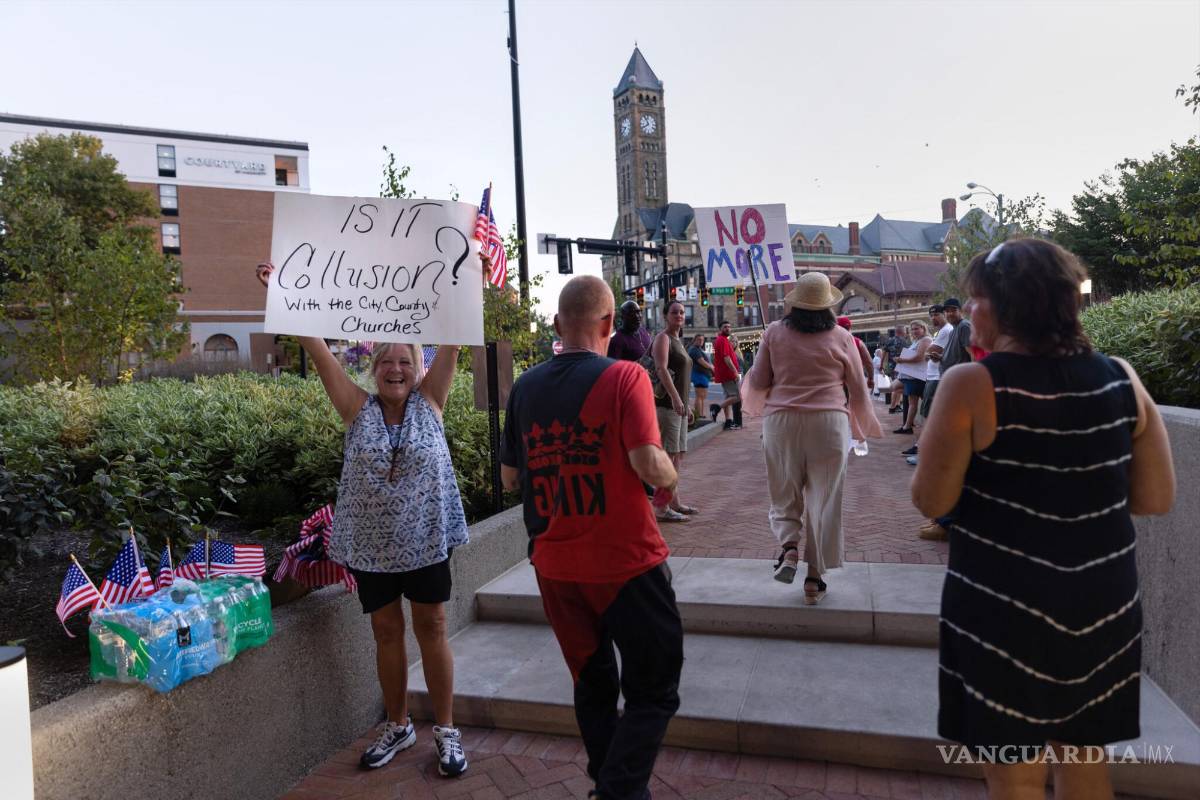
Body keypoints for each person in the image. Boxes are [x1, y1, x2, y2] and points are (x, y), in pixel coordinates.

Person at [911, 238, 1175, 800]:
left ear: (1005, 305)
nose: (969, 311)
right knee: (1085, 760)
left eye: (975, 299)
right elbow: (1155, 497)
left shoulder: (972, 385)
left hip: (1002, 606)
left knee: (1014, 772)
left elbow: (932, 500)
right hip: (1103, 604)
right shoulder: (1122, 378)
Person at [254, 262, 470, 778]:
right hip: (374, 552)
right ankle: (398, 724)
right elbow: (318, 349)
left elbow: (456, 339)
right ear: (373, 368)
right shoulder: (356, 407)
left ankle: (446, 730)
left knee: (433, 627)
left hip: (425, 543)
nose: (396, 368)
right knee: (386, 632)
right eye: (387, 361)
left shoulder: (431, 402)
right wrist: (285, 291)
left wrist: (467, 278)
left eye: (406, 360)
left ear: (419, 366)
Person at [500, 275, 683, 800]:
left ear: (558, 325)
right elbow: (649, 464)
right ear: (608, 324)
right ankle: (618, 792)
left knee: (593, 683)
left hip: (556, 569)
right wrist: (672, 476)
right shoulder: (626, 377)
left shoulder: (526, 387)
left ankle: (610, 784)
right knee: (654, 688)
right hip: (625, 562)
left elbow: (512, 479)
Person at [742, 273, 883, 604]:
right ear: (828, 305)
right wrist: (863, 427)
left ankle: (789, 548)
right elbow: (858, 387)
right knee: (824, 500)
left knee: (784, 490)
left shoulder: (774, 333)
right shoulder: (842, 337)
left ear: (794, 303)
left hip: (781, 422)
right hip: (829, 423)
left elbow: (760, 378)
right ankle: (814, 579)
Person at [652, 300, 695, 522]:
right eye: (674, 312)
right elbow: (661, 368)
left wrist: (686, 405)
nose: (678, 315)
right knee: (668, 458)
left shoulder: (679, 340)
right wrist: (677, 399)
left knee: (677, 456)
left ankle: (673, 501)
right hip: (668, 407)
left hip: (679, 407)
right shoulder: (663, 338)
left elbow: (682, 377)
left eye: (681, 312)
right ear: (665, 316)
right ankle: (660, 508)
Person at [892, 320, 931, 436]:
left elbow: (919, 357)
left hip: (917, 375)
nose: (914, 331)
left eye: (917, 328)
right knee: (911, 401)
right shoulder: (917, 341)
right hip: (911, 375)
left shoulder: (926, 340)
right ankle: (907, 426)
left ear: (923, 328)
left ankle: (908, 426)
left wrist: (902, 360)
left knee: (912, 401)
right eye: (913, 329)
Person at [709, 320, 743, 430]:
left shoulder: (722, 340)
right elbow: (727, 359)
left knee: (728, 397)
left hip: (725, 373)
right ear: (720, 329)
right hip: (728, 374)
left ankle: (728, 420)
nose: (727, 329)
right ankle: (716, 408)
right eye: (725, 327)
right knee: (736, 397)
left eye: (729, 327)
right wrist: (735, 372)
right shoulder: (722, 340)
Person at [837, 315, 874, 392]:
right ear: (850, 328)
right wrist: (870, 378)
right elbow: (869, 362)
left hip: (838, 383)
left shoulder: (832, 344)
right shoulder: (858, 342)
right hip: (856, 380)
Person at [688, 334, 714, 427]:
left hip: (702, 375)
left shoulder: (698, 349)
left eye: (702, 340)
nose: (700, 341)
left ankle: (701, 414)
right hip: (698, 375)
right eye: (699, 339)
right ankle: (699, 415)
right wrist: (712, 367)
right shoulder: (694, 349)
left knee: (702, 396)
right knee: (699, 396)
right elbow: (701, 361)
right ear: (694, 340)